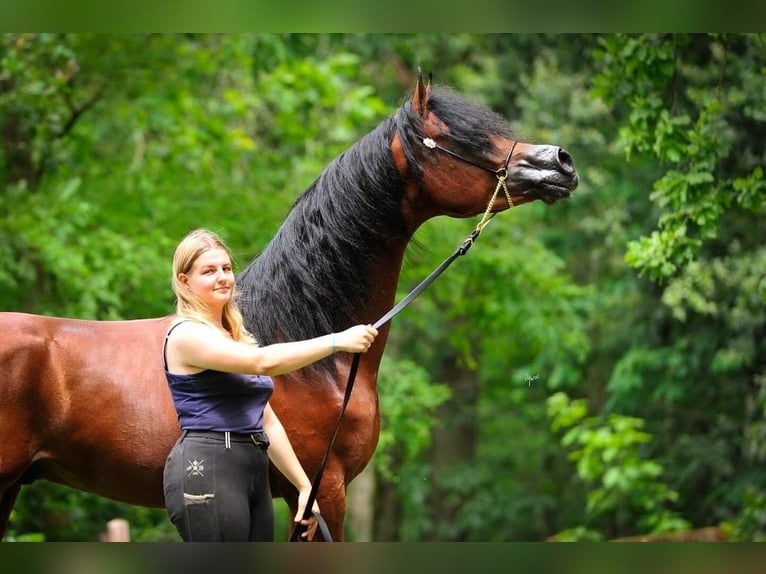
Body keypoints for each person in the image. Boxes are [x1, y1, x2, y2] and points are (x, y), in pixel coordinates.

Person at [162, 228, 378, 541]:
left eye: (226, 268)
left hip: (252, 466)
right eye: (209, 271)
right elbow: (263, 362)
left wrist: (304, 487)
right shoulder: (185, 335)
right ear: (184, 281)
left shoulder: (232, 336)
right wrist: (336, 341)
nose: (222, 277)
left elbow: (266, 419)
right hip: (208, 465)